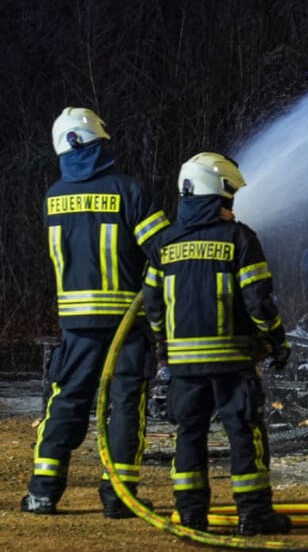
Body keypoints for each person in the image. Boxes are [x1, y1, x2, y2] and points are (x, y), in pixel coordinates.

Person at [23, 107, 170, 518]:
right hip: (126, 324)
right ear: (100, 143)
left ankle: (42, 493)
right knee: (124, 407)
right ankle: (118, 498)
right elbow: (164, 252)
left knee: (66, 402)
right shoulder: (128, 190)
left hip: (75, 327)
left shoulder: (53, 196)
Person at [142, 152, 291, 535]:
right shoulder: (239, 238)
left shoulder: (164, 243)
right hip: (233, 363)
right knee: (243, 431)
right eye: (228, 198)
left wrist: (163, 344)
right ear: (216, 194)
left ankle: (191, 514)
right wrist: (276, 339)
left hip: (184, 367)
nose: (231, 206)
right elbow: (258, 301)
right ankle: (254, 515)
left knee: (189, 434)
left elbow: (153, 305)